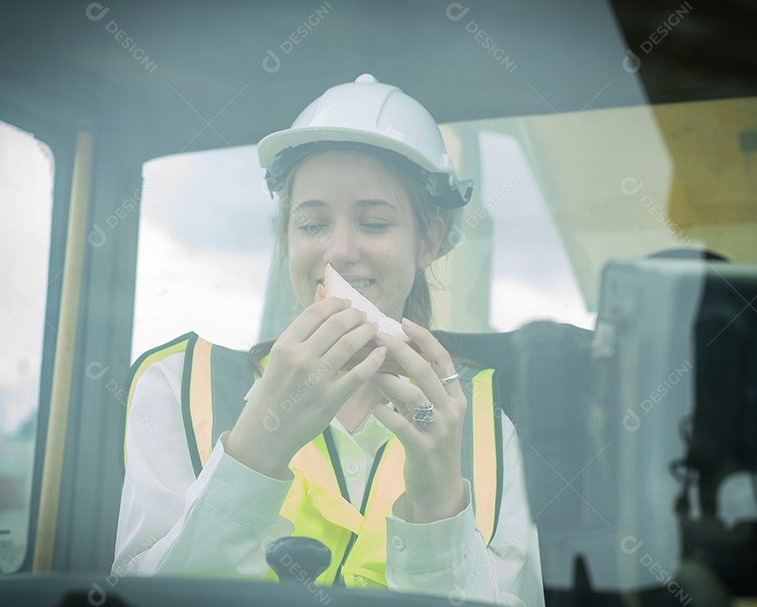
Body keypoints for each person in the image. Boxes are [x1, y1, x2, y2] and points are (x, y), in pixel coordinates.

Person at [112, 74, 544, 607]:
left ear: (427, 241)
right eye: (312, 223)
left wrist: (439, 509)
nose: (339, 250)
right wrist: (254, 452)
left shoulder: (485, 423)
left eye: (374, 222)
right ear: (286, 238)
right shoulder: (176, 386)